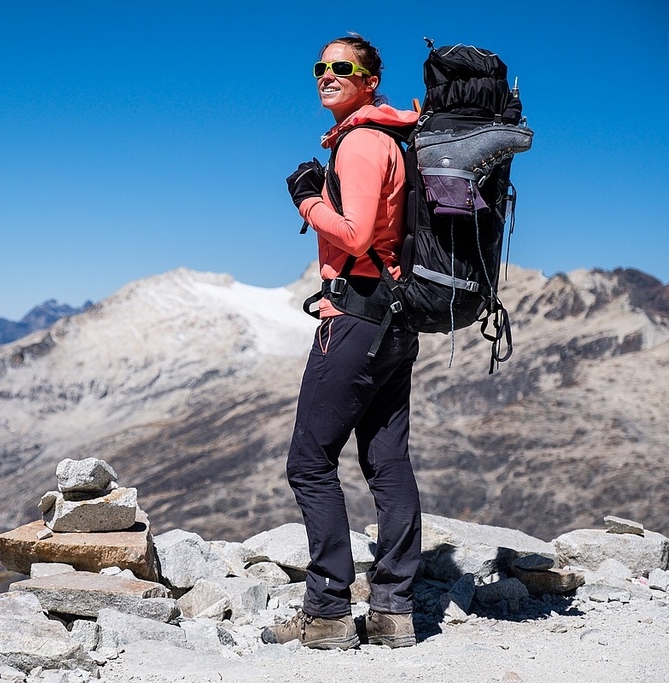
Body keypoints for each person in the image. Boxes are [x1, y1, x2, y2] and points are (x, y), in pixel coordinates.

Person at [261, 33, 422, 650]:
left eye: (342, 67)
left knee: (308, 463)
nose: (327, 75)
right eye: (320, 67)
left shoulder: (359, 143)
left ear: (370, 78)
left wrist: (306, 198)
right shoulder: (391, 139)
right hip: (395, 320)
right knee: (387, 461)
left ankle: (327, 612)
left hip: (356, 317)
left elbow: (354, 236)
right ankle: (392, 611)